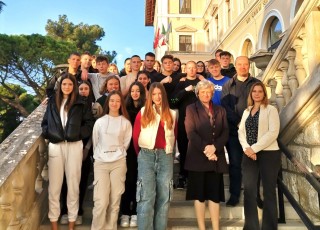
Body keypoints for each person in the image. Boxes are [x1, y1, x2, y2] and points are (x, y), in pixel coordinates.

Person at [41, 74, 94, 230]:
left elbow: (89, 124)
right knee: (55, 186)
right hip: (56, 146)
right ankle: (54, 223)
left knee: (73, 185)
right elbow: (45, 124)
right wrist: (50, 134)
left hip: (74, 146)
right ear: (60, 86)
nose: (67, 87)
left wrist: (77, 135)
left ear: (74, 86)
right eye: (64, 84)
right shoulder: (52, 103)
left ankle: (72, 222)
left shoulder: (81, 103)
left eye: (70, 84)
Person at [184, 80, 229, 230]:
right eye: (202, 92)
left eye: (208, 91)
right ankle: (202, 228)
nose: (205, 94)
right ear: (197, 94)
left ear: (212, 93)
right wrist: (207, 149)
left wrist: (214, 148)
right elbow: (191, 133)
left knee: (215, 196)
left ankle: (216, 227)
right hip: (198, 157)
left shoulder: (220, 110)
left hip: (215, 158)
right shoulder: (191, 109)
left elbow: (225, 132)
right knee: (199, 196)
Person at [133, 82, 177, 230]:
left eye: (160, 94)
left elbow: (174, 137)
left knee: (164, 197)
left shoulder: (172, 113)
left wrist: (169, 153)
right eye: (154, 94)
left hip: (165, 156)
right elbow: (135, 137)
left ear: (163, 95)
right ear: (150, 96)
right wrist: (142, 155)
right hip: (146, 155)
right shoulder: (143, 111)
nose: (157, 97)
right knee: (146, 196)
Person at [238, 82, 281, 230]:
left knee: (268, 191)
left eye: (260, 91)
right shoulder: (246, 111)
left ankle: (269, 227)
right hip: (248, 154)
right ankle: (251, 226)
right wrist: (247, 149)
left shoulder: (271, 110)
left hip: (269, 154)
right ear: (251, 94)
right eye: (254, 91)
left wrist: (254, 149)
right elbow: (240, 132)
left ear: (264, 94)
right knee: (249, 190)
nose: (257, 94)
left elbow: (273, 133)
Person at [221, 56, 260, 206]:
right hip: (233, 132)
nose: (243, 67)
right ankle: (235, 195)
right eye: (240, 64)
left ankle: (255, 195)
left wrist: (248, 123)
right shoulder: (228, 85)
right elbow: (225, 107)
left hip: (253, 131)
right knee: (235, 164)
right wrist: (239, 123)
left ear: (249, 66)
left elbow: (260, 103)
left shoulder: (256, 83)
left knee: (253, 164)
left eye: (245, 64)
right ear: (235, 66)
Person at [91, 91, 132, 230]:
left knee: (115, 201)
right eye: (112, 100)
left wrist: (116, 154)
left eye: (118, 101)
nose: (114, 103)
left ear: (121, 104)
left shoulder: (125, 123)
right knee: (101, 201)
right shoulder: (100, 122)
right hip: (101, 163)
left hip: (118, 163)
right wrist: (103, 155)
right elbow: (95, 142)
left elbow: (125, 144)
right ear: (108, 102)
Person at [59, 80, 95, 226]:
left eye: (86, 88)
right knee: (65, 182)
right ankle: (64, 211)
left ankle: (78, 211)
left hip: (85, 149)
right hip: (66, 148)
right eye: (81, 88)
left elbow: (93, 129)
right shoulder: (69, 104)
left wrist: (86, 148)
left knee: (81, 182)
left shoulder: (94, 106)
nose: (83, 91)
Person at [119, 82, 146, 228]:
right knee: (127, 180)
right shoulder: (124, 109)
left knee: (139, 181)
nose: (135, 93)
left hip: (142, 149)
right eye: (132, 91)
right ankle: (125, 212)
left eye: (138, 91)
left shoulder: (146, 109)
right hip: (127, 150)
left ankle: (135, 212)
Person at [171, 61, 200, 189]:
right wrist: (184, 91)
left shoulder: (201, 83)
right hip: (184, 122)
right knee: (183, 149)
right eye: (189, 68)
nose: (192, 70)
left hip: (200, 122)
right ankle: (183, 176)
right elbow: (172, 101)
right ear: (186, 69)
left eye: (194, 68)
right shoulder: (181, 83)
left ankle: (195, 177)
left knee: (197, 150)